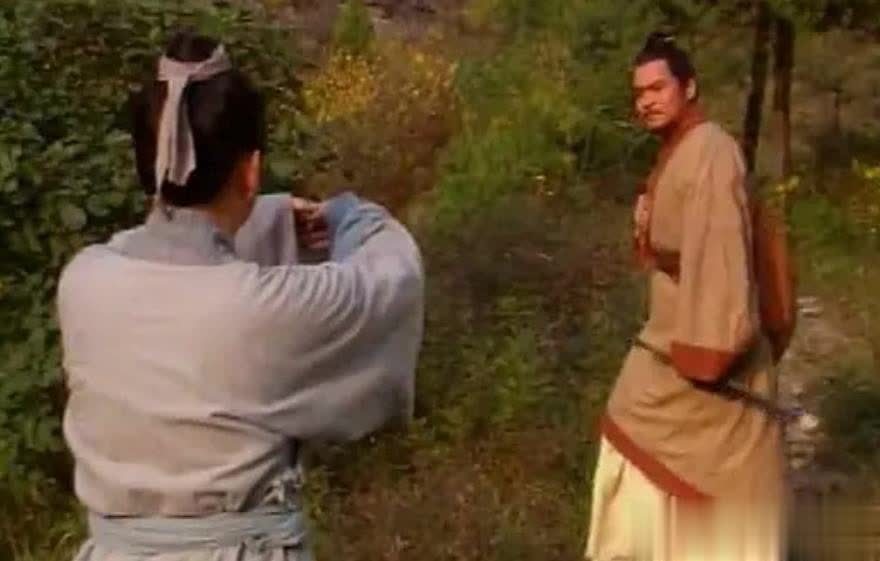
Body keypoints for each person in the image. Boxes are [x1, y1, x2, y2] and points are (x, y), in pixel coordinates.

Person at [57, 31, 424, 561]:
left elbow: (172, 257)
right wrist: (348, 217)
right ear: (250, 171)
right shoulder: (257, 310)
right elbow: (389, 279)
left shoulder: (84, 281)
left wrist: (269, 217)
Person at [584, 32, 787, 561]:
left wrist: (709, 351)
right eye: (639, 93)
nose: (646, 101)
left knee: (646, 432)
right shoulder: (679, 153)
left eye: (658, 88)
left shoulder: (711, 151)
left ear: (689, 87)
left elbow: (721, 253)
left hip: (708, 346)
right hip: (671, 338)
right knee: (629, 430)